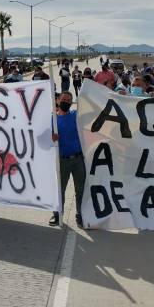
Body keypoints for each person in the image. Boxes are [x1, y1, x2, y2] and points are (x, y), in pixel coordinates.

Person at [50, 92, 85, 228]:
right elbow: (44, 139)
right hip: (62, 160)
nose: (66, 102)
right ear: (58, 101)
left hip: (78, 159)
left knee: (80, 189)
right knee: (60, 189)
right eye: (63, 99)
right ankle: (58, 214)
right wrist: (51, 138)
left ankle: (80, 214)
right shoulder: (53, 119)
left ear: (71, 103)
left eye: (69, 100)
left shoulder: (76, 115)